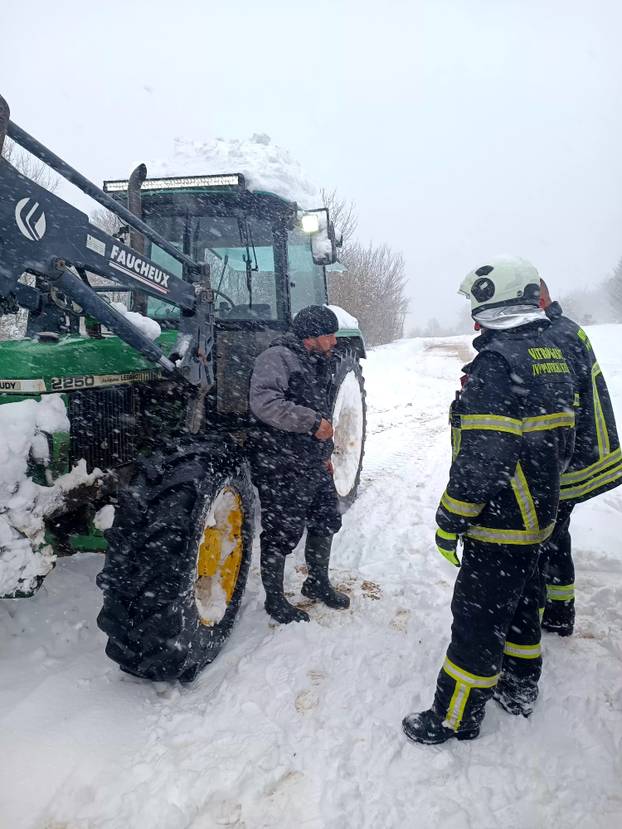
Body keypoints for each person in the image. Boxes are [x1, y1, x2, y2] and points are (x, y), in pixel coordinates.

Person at [403, 256, 575, 745]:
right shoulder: (550, 352)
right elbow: (564, 440)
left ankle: (454, 717)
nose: (472, 316)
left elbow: (483, 461)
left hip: (502, 520)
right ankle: (519, 687)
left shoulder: (497, 365)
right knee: (522, 604)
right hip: (539, 513)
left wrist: (450, 518)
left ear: (493, 303)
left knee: (477, 620)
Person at [249, 305, 350, 624]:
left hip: (312, 461)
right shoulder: (277, 358)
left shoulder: (318, 360)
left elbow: (321, 408)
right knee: (281, 531)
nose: (334, 341)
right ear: (311, 335)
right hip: (281, 462)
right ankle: (275, 600)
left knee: (326, 519)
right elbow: (265, 403)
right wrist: (311, 423)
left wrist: (325, 454)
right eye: (329, 335)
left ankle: (317, 582)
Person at [538, 279, 621, 635]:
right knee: (557, 535)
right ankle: (559, 610)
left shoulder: (555, 337)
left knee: (545, 537)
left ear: (539, 300)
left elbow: (559, 409)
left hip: (570, 460)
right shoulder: (563, 329)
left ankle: (544, 612)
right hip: (580, 452)